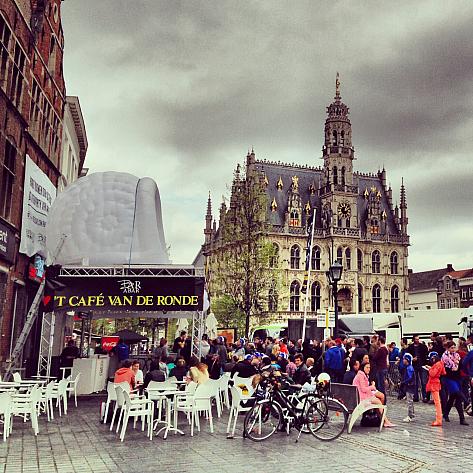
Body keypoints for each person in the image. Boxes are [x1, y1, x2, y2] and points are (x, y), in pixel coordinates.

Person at [352, 362, 395, 427]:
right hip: (361, 398)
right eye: (367, 367)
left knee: (379, 399)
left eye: (369, 367)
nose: (368, 369)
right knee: (378, 401)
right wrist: (372, 386)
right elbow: (363, 389)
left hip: (359, 396)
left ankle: (383, 420)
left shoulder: (362, 375)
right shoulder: (361, 375)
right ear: (363, 368)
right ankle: (385, 421)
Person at [442, 341, 469, 425]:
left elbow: (461, 367)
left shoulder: (457, 356)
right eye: (451, 348)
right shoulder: (445, 357)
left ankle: (447, 414)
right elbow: (446, 369)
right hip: (448, 378)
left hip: (457, 378)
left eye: (454, 347)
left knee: (453, 397)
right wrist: (454, 366)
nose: (453, 349)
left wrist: (458, 365)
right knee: (457, 392)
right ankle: (467, 403)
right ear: (447, 348)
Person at [426, 351, 445, 426]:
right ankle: (439, 419)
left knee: (437, 402)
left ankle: (439, 420)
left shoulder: (437, 364)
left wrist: (430, 369)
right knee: (437, 402)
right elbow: (443, 372)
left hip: (434, 383)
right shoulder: (440, 364)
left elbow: (432, 374)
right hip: (436, 382)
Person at [407, 335, 429, 402]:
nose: (417, 340)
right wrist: (412, 359)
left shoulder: (423, 346)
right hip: (414, 366)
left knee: (423, 382)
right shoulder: (410, 347)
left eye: (418, 339)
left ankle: (425, 397)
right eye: (416, 339)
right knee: (415, 382)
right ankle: (416, 396)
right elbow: (408, 356)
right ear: (413, 340)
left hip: (422, 365)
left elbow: (426, 354)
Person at [401, 353, 416, 422]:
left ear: (407, 360)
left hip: (410, 386)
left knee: (409, 401)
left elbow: (410, 378)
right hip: (410, 386)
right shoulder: (408, 367)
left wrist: (403, 382)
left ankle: (410, 415)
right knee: (410, 401)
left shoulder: (409, 368)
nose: (403, 360)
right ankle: (412, 414)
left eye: (404, 359)